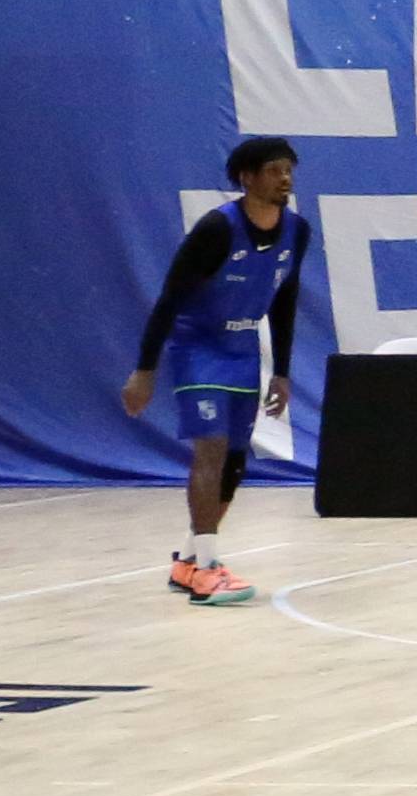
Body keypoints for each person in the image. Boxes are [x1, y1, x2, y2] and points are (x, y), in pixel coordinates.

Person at [118, 135, 311, 608]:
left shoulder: (297, 231)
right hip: (198, 346)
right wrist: (145, 370)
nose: (284, 178)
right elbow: (168, 299)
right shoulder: (216, 230)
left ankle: (186, 561)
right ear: (247, 178)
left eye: (288, 169)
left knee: (235, 463)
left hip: (243, 349)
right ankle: (207, 568)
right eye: (273, 169)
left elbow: (284, 300)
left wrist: (282, 372)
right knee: (211, 450)